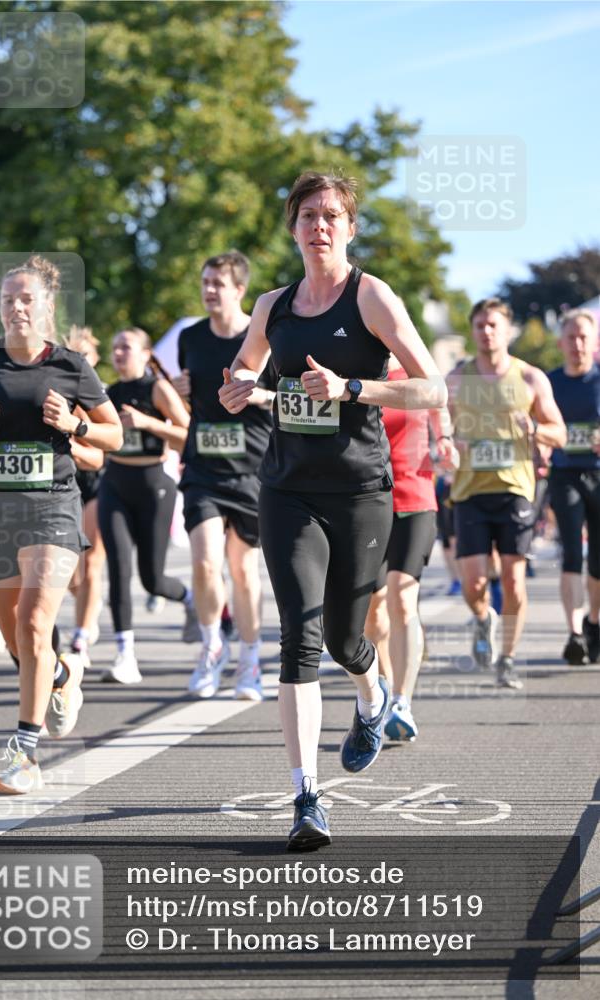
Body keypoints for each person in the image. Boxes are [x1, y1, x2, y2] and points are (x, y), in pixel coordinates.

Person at [219, 171, 446, 851]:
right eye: (307, 216)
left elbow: (431, 389)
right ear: (292, 228)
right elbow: (246, 367)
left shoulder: (370, 296)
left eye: (330, 216)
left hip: (359, 492)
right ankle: (306, 797)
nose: (318, 226)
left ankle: (372, 696)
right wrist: (238, 388)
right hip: (287, 489)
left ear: (349, 227)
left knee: (347, 640)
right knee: (299, 635)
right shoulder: (272, 306)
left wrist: (350, 387)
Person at [0, 255, 122, 793]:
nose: (16, 307)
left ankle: (24, 754)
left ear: (46, 306)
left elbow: (113, 436)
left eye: (26, 299)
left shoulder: (70, 365)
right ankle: (60, 674)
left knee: (36, 624)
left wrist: (75, 424)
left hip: (52, 505)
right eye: (7, 300)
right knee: (17, 633)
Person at [447, 298, 566, 689]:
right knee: (473, 584)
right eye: (480, 325)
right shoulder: (456, 379)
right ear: (472, 330)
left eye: (493, 325)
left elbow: (560, 433)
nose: (486, 331)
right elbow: (437, 429)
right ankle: (483, 619)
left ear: (507, 330)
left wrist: (535, 430)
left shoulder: (530, 377)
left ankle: (509, 659)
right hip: (469, 490)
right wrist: (447, 443)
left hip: (515, 489)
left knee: (514, 581)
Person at [173, 251, 275, 701]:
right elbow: (191, 395)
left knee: (243, 570)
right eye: (205, 282)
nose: (209, 290)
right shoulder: (190, 337)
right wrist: (180, 391)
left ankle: (250, 661)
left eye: (218, 283)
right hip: (203, 469)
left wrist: (258, 394)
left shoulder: (264, 336)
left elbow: (284, 397)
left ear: (239, 290)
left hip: (252, 469)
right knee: (205, 562)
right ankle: (213, 646)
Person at [364, 355, 458, 742]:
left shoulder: (417, 369)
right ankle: (386, 688)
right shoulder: (355, 371)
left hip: (415, 497)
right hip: (367, 502)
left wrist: (445, 440)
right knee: (374, 613)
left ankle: (402, 702)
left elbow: (440, 404)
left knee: (403, 598)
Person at [98, 327, 192, 683]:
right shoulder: (108, 394)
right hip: (114, 485)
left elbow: (188, 436)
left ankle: (190, 599)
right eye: (115, 347)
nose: (118, 353)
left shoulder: (157, 388)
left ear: (145, 353)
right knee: (118, 569)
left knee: (153, 579)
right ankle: (125, 656)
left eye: (126, 346)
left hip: (153, 486)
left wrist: (148, 422)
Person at [547, 310, 600, 664]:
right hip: (564, 473)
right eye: (571, 337)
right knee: (570, 552)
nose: (577, 344)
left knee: (597, 560)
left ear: (593, 342)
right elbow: (538, 424)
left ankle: (594, 621)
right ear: (561, 342)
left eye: (583, 337)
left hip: (598, 473)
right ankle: (575, 633)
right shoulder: (550, 382)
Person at [64, 326, 107, 667]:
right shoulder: (57, 389)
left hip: (98, 480)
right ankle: (90, 604)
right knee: (66, 571)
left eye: (86, 357)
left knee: (91, 561)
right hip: (64, 481)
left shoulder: (101, 394)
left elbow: (106, 443)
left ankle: (80, 637)